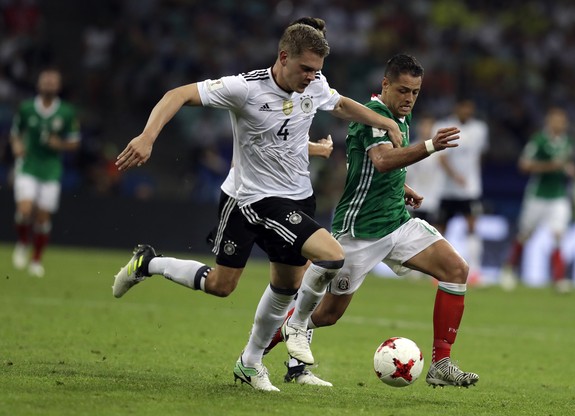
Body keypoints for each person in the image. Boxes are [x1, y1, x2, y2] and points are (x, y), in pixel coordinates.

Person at [112, 21, 403, 392]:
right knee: (331, 256)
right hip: (251, 199)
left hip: (297, 198)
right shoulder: (243, 88)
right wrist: (147, 136)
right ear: (283, 57)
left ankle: (243, 356)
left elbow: (341, 104)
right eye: (305, 69)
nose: (311, 77)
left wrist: (383, 121)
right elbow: (176, 94)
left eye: (317, 70)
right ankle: (295, 331)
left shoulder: (314, 84)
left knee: (261, 286)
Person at [277, 54, 479, 388]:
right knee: (327, 315)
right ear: (385, 84)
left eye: (415, 92)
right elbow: (382, 160)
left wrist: (402, 188)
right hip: (359, 232)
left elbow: (373, 167)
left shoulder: (400, 112)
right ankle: (259, 351)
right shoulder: (374, 116)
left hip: (397, 223)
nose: (409, 98)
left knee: (456, 269)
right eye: (403, 90)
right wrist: (429, 146)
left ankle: (441, 363)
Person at [10, 68, 81, 277]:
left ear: (58, 86)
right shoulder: (26, 108)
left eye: (53, 81)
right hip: (28, 165)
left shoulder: (67, 112)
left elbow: (75, 142)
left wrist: (60, 143)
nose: (49, 84)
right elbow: (15, 134)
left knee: (42, 218)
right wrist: (16, 147)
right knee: (24, 210)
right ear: (38, 84)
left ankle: (36, 259)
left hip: (51, 169)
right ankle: (23, 241)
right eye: (45, 80)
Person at [499, 107, 575, 292]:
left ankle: (558, 280)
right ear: (548, 122)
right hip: (537, 195)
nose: (559, 123)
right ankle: (509, 270)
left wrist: (569, 168)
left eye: (562, 120)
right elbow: (524, 165)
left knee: (558, 235)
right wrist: (551, 166)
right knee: (525, 234)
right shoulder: (539, 140)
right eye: (555, 120)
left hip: (558, 195)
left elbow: (566, 163)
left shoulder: (567, 142)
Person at [432, 98, 489, 284]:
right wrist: (455, 176)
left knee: (472, 227)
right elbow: (440, 158)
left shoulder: (480, 129)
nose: (468, 111)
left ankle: (475, 270)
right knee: (441, 230)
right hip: (447, 189)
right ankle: (437, 270)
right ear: (458, 108)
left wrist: (471, 177)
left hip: (470, 190)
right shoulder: (443, 126)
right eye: (465, 107)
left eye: (470, 108)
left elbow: (479, 155)